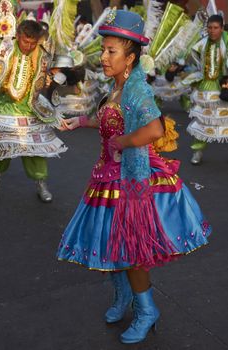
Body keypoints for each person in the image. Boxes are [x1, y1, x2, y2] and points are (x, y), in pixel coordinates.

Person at [57, 9, 211, 344]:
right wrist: (81, 122)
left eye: (112, 52)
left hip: (131, 180)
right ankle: (124, 297)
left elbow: (154, 129)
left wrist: (122, 142)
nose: (104, 57)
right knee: (111, 245)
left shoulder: (138, 90)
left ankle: (146, 310)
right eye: (105, 50)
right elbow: (112, 120)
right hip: (107, 178)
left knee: (130, 250)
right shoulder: (117, 85)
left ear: (130, 58)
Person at [0, 20, 67, 201]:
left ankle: (41, 183)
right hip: (4, 106)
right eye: (25, 41)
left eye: (32, 43)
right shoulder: (4, 49)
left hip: (30, 107)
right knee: (2, 148)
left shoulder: (42, 54)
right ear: (18, 36)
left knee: (35, 150)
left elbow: (51, 74)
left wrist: (52, 77)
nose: (28, 46)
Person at [186, 14, 228, 164]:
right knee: (203, 119)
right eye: (209, 27)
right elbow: (196, 59)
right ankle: (198, 151)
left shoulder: (227, 41)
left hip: (224, 85)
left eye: (216, 28)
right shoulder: (201, 44)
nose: (212, 31)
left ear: (222, 28)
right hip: (206, 86)